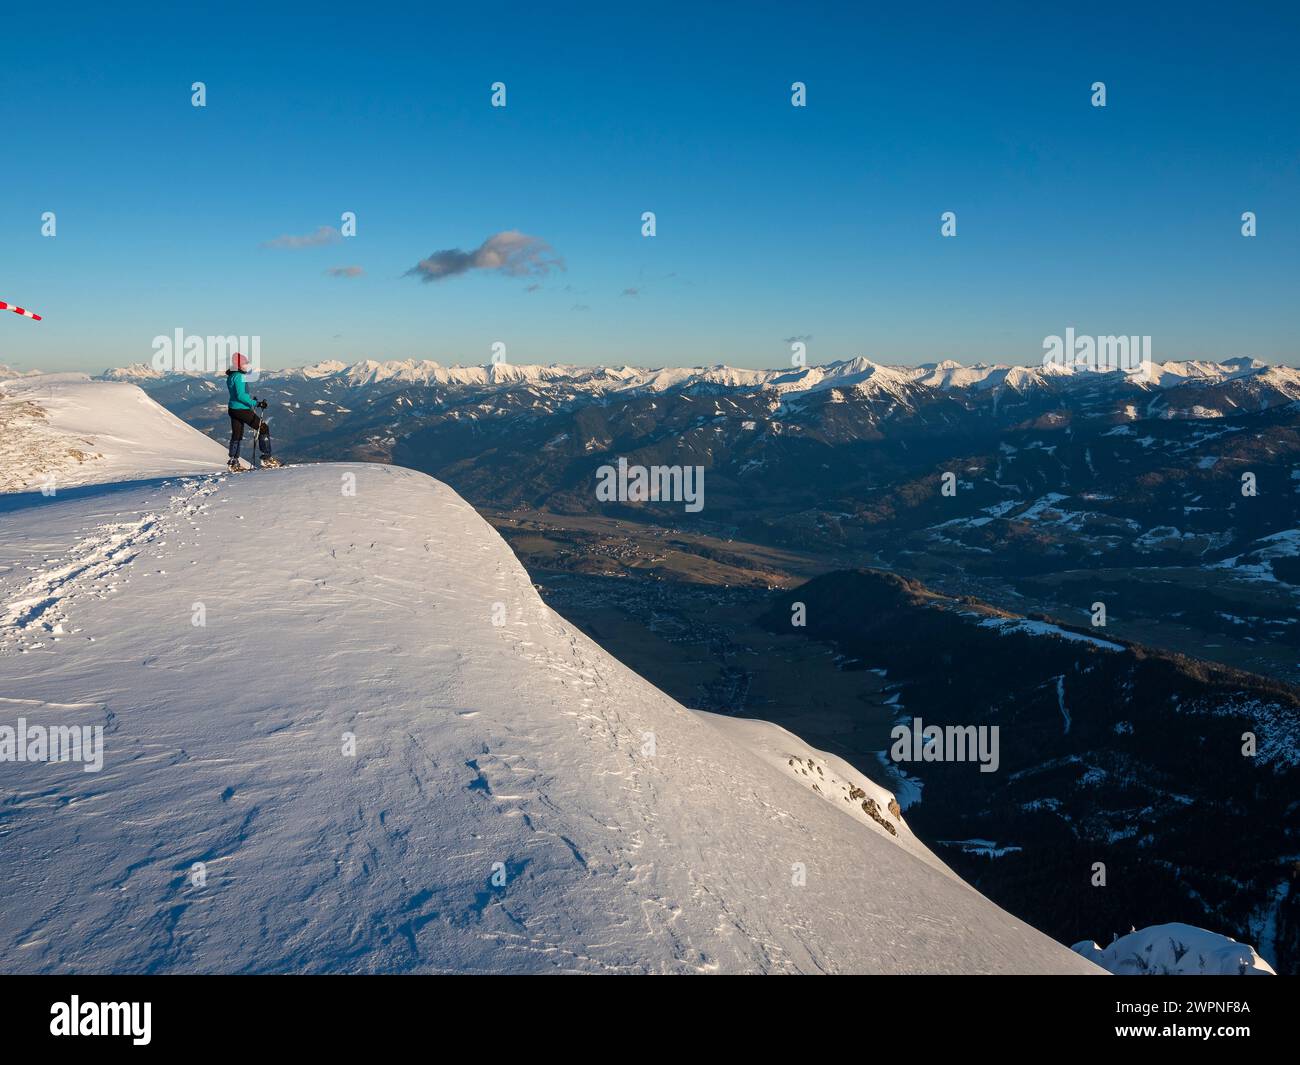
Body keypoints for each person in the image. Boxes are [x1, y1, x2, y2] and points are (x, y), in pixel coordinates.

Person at [225, 353, 278, 470]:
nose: (246, 366)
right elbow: (240, 396)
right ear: (239, 364)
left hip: (233, 408)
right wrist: (256, 403)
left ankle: (233, 462)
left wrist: (250, 400)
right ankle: (266, 458)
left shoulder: (231, 376)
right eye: (244, 363)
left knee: (236, 434)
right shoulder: (239, 376)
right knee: (263, 428)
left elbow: (237, 394)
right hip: (241, 409)